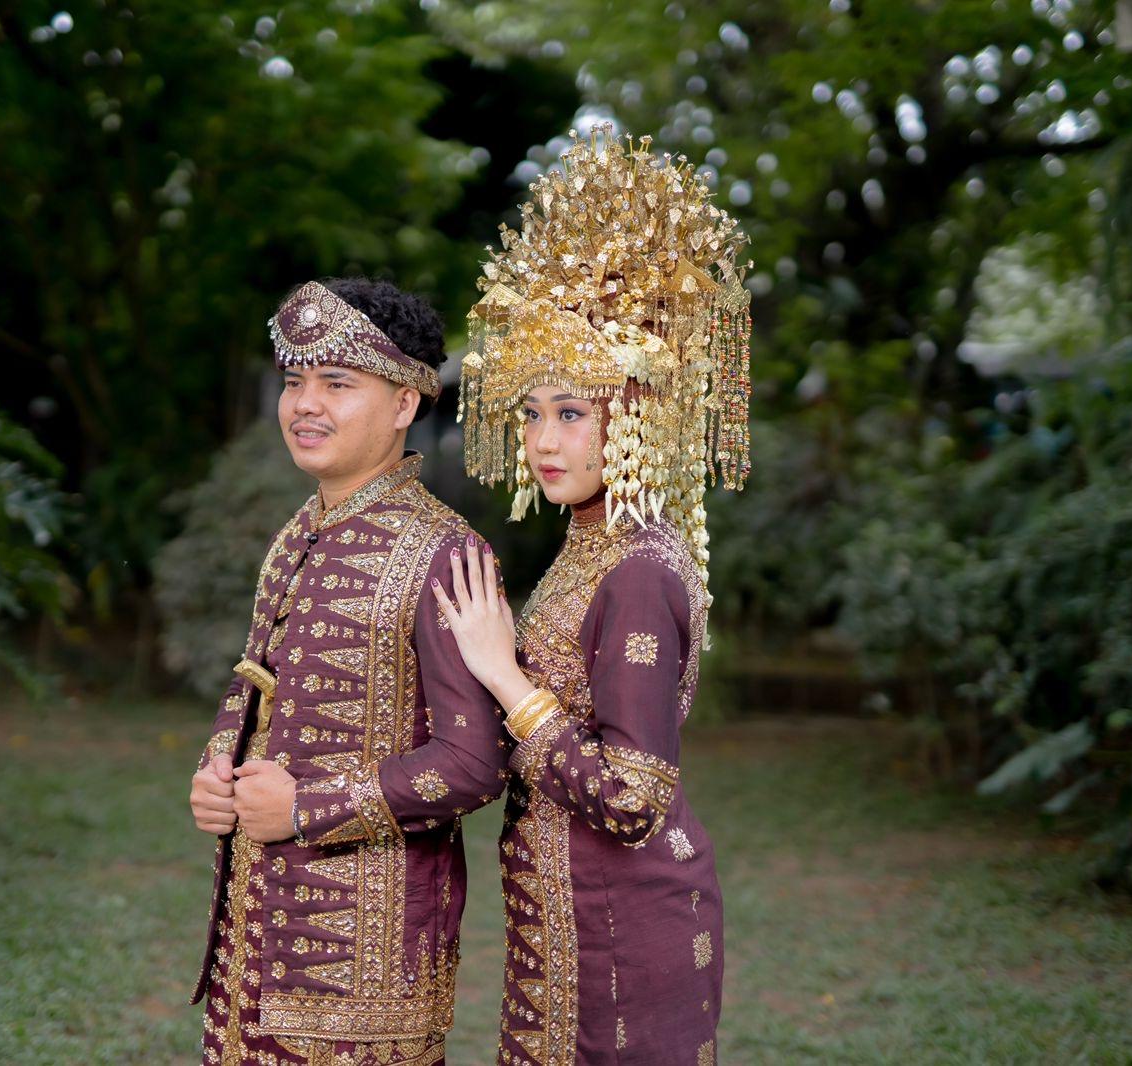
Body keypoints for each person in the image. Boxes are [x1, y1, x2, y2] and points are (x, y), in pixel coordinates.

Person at [432, 126, 753, 1066]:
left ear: (635, 419)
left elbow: (633, 796)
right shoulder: (591, 544)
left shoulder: (639, 570)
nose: (543, 440)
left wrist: (502, 674)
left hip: (625, 922)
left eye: (572, 413)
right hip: (568, 909)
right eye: (532, 412)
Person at [187, 277, 510, 1066]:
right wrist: (218, 766)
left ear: (404, 403)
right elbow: (257, 681)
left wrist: (307, 807)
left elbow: (474, 763)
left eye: (337, 383)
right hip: (252, 937)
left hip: (367, 971)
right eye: (294, 381)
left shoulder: (446, 554)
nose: (305, 405)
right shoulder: (299, 530)